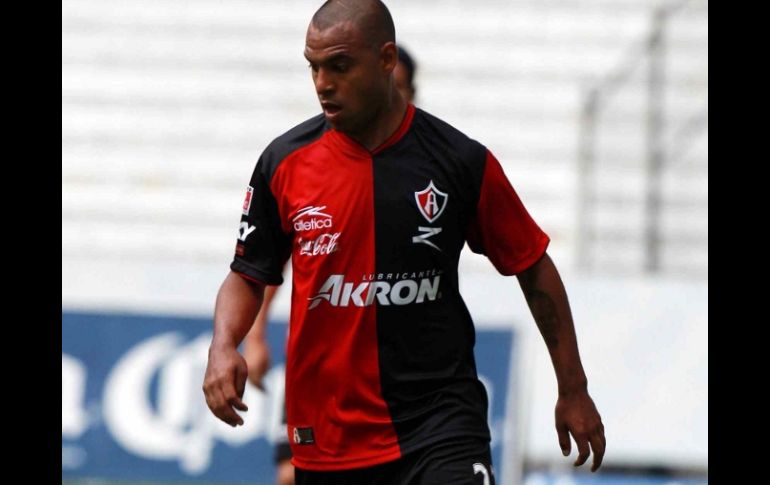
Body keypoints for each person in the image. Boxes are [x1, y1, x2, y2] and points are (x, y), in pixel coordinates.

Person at [203, 1, 606, 484]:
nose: (322, 84)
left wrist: (573, 387)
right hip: (331, 434)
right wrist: (224, 345)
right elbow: (248, 273)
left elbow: (532, 264)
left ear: (387, 59)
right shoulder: (284, 162)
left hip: (441, 424)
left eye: (340, 66)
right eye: (314, 67)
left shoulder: (458, 161)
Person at [241, 44, 420, 485]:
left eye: (397, 88)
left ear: (410, 90)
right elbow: (268, 264)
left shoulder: (436, 163)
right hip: (323, 364)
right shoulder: (303, 160)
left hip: (406, 374)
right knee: (290, 475)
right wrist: (255, 336)